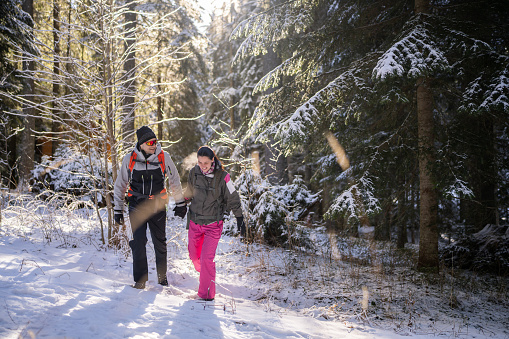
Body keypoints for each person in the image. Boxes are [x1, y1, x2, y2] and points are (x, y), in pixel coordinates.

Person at [113, 125, 187, 289]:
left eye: (155, 141)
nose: (154, 144)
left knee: (159, 242)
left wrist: (180, 203)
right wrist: (117, 210)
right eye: (150, 142)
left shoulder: (163, 157)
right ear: (141, 144)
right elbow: (120, 186)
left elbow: (174, 180)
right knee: (138, 242)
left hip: (157, 205)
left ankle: (162, 279)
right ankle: (140, 281)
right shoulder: (129, 159)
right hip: (136, 205)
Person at [184, 146, 245, 301]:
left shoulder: (224, 177)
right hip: (195, 222)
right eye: (200, 162)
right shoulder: (194, 173)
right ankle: (206, 272)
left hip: (213, 225)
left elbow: (233, 198)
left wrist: (240, 218)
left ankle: (206, 295)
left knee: (206, 260)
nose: (203, 166)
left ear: (213, 160)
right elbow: (188, 192)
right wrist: (180, 203)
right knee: (194, 257)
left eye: (206, 162)